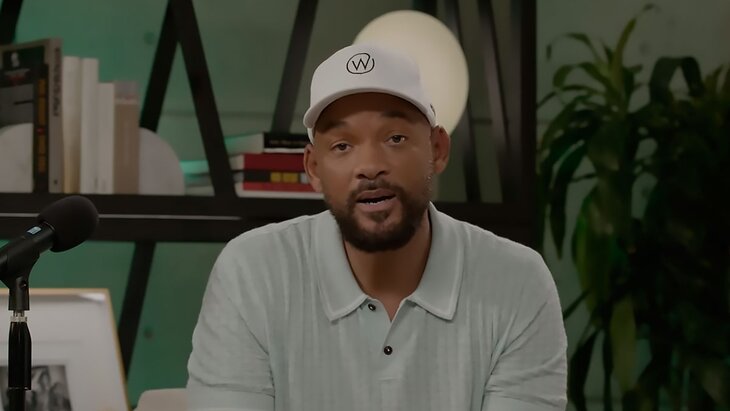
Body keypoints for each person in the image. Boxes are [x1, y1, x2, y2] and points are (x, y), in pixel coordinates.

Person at [186, 43, 567, 411]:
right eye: (342, 145)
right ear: (313, 168)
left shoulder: (517, 282)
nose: (369, 166)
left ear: (437, 149)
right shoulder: (252, 273)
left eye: (395, 138)